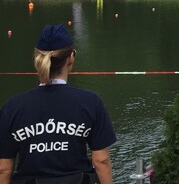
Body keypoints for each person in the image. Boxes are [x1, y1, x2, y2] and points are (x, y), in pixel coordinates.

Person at [0, 25, 116, 184]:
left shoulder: (13, 108)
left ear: (37, 59)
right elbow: (101, 161)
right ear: (71, 58)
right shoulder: (90, 102)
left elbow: (4, 169)